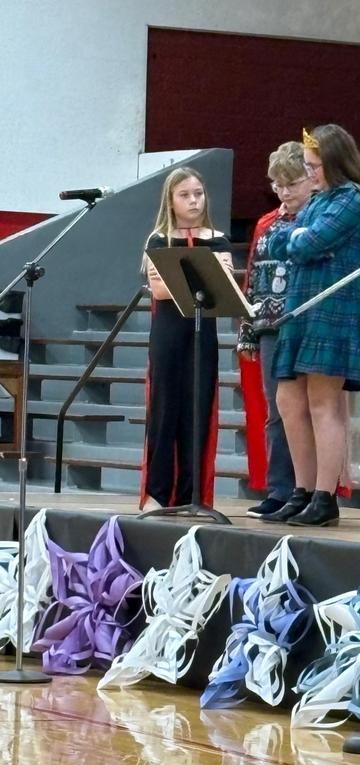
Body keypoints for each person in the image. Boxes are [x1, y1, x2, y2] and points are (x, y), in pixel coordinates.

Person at [261, 124, 360, 527]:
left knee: (322, 402)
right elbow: (278, 242)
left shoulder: (352, 198)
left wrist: (299, 237)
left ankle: (324, 496)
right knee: (287, 400)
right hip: (301, 307)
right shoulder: (319, 201)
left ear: (335, 162)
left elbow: (308, 243)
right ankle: (300, 490)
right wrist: (299, 236)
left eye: (314, 166)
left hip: (334, 309)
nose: (309, 172)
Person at [139, 167, 233, 511]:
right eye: (185, 195)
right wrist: (201, 278)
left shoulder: (219, 239)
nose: (194, 201)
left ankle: (193, 494)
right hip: (168, 334)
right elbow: (161, 291)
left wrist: (183, 278)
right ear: (171, 200)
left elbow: (223, 286)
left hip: (202, 335)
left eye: (198, 193)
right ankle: (157, 493)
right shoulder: (159, 240)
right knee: (164, 410)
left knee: (198, 409)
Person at [237, 142, 313, 518]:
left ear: (311, 179)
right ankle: (280, 488)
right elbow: (253, 277)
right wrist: (248, 329)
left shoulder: (319, 220)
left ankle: (310, 489)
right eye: (277, 185)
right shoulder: (266, 223)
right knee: (276, 410)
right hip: (269, 325)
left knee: (312, 409)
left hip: (307, 323)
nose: (284, 192)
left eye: (292, 183)